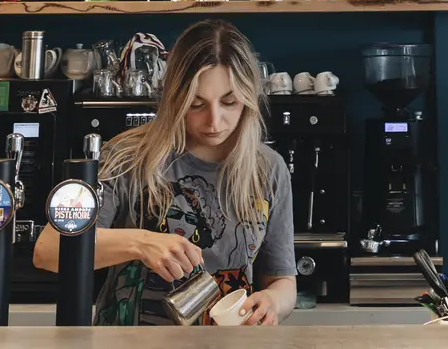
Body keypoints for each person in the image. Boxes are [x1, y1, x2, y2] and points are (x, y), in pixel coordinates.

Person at [33, 20, 296, 325]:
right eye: (196, 104)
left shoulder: (268, 168)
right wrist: (141, 243)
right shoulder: (126, 156)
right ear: (174, 98)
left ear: (249, 98)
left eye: (229, 102)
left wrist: (273, 302)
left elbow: (283, 282)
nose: (214, 121)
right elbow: (48, 249)